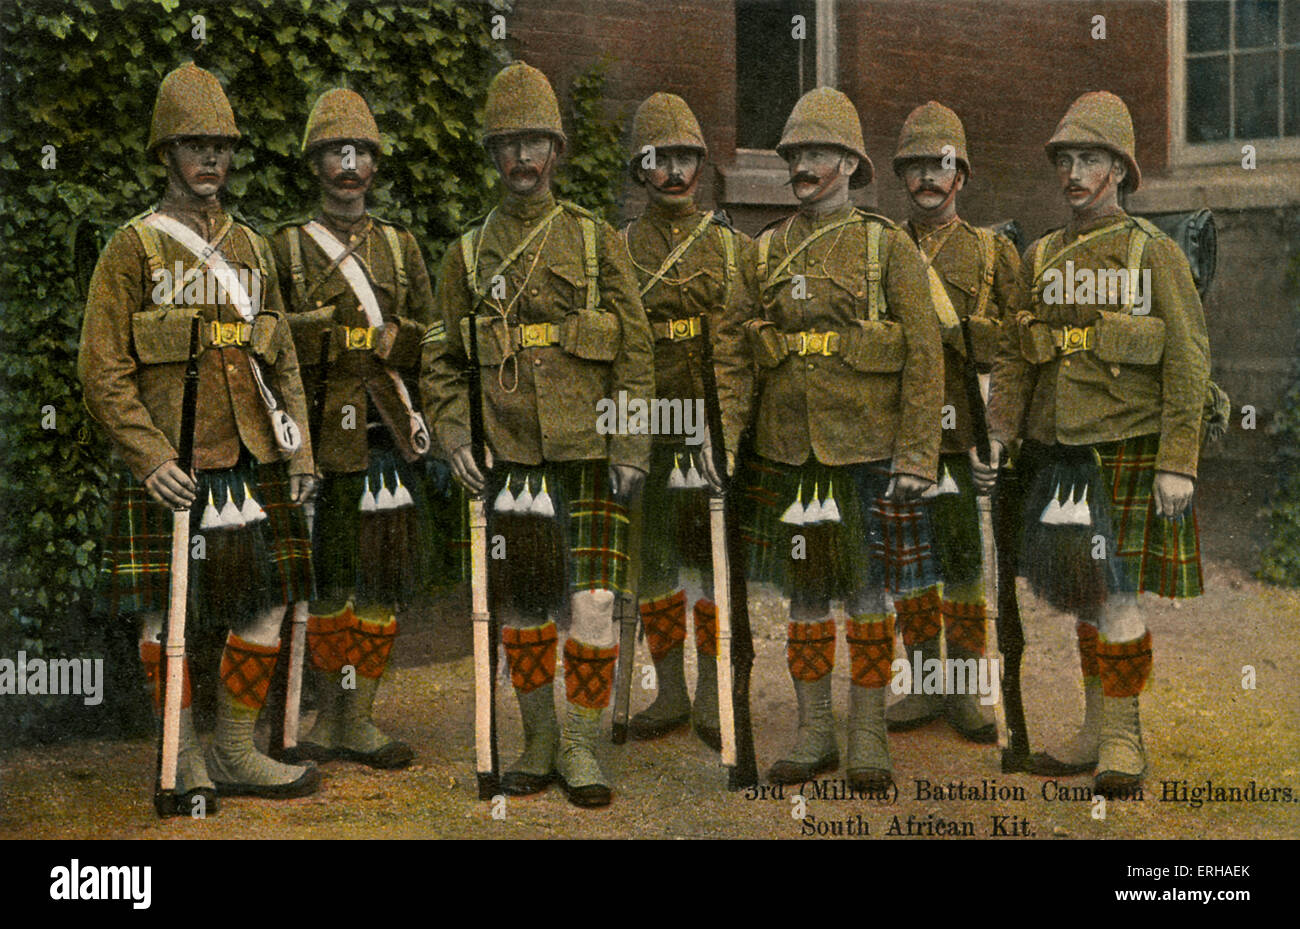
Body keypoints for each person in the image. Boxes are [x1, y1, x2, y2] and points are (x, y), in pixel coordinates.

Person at [79, 63, 319, 814]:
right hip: (174, 466)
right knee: (165, 613)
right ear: (165, 152)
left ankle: (237, 750)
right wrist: (148, 459)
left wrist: (302, 450)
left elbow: (281, 358)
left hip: (253, 456)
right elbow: (101, 368)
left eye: (221, 145)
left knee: (268, 601)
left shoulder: (252, 247)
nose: (210, 159)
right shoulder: (133, 249)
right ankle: (181, 753)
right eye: (193, 144)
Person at [421, 62, 654, 807]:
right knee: (522, 603)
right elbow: (441, 357)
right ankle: (539, 738)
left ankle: (583, 745)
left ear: (556, 153)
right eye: (509, 145)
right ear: (493, 156)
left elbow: (636, 350)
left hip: (589, 451)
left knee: (590, 600)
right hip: (509, 454)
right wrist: (454, 433)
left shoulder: (592, 240)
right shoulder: (466, 253)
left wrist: (629, 442)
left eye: (536, 144)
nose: (522, 159)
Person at [977, 91, 1210, 796]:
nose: (1075, 172)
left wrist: (1178, 461)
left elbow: (1190, 360)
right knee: (1085, 596)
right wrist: (998, 435)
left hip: (1128, 450)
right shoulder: (1041, 254)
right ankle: (1089, 727)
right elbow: (1018, 356)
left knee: (1118, 597)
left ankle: (1122, 735)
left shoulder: (1154, 254)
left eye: (1092, 159)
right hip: (1059, 453)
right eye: (1067, 159)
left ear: (1121, 170)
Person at [714, 87, 943, 792]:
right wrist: (724, 443)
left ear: (849, 162)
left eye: (817, 153)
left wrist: (916, 454)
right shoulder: (764, 252)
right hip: (788, 451)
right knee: (805, 593)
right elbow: (728, 348)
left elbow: (925, 352)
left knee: (867, 592)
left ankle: (867, 731)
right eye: (794, 155)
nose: (803, 165)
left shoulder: (888, 245)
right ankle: (815, 730)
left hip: (865, 450)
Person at [271, 88, 439, 770]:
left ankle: (359, 718)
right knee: (323, 585)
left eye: (361, 153)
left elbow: (436, 338)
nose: (349, 165)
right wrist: (332, 336)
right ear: (315, 164)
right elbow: (270, 342)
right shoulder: (285, 248)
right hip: (317, 439)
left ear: (374, 165)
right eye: (336, 152)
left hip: (385, 437)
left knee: (378, 583)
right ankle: (325, 712)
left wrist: (390, 339)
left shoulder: (399, 249)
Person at [887, 101, 1027, 742]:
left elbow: (1023, 350)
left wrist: (1000, 433)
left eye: (941, 164)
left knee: (968, 565)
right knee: (909, 563)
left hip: (966, 435)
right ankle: (921, 684)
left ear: (962, 176)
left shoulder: (995, 256)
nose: (928, 177)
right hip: (902, 434)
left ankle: (968, 691)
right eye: (915, 166)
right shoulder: (880, 249)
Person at [620, 92, 750, 751]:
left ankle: (707, 690)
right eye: (660, 158)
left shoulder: (730, 250)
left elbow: (744, 346)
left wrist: (726, 431)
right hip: (646, 423)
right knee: (653, 561)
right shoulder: (616, 250)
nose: (673, 171)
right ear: (640, 167)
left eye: (685, 158)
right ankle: (667, 688)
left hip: (707, 427)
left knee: (706, 563)